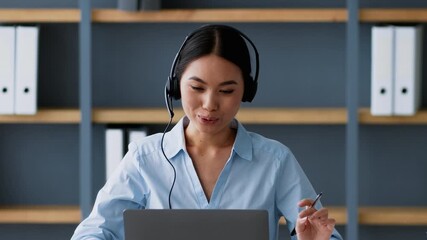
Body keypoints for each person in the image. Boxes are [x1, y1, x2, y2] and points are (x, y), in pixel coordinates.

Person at [71, 24, 342, 240]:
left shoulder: (275, 160)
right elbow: (92, 232)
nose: (210, 105)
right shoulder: (145, 157)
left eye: (226, 91)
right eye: (197, 88)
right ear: (176, 87)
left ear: (246, 92)